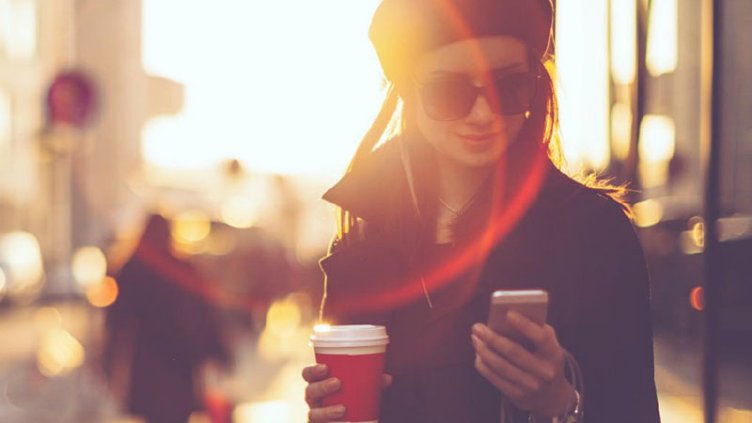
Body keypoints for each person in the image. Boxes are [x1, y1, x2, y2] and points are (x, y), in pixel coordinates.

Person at [301, 0, 660, 421]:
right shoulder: (361, 238)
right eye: (450, 91)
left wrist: (561, 403)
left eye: (508, 86)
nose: (483, 113)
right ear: (408, 92)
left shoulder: (593, 234)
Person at [103, 214, 229, 423]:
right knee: (177, 414)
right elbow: (203, 315)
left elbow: (117, 321)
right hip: (179, 362)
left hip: (148, 364)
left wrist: (108, 361)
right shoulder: (180, 268)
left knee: (155, 415)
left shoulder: (132, 269)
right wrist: (217, 352)